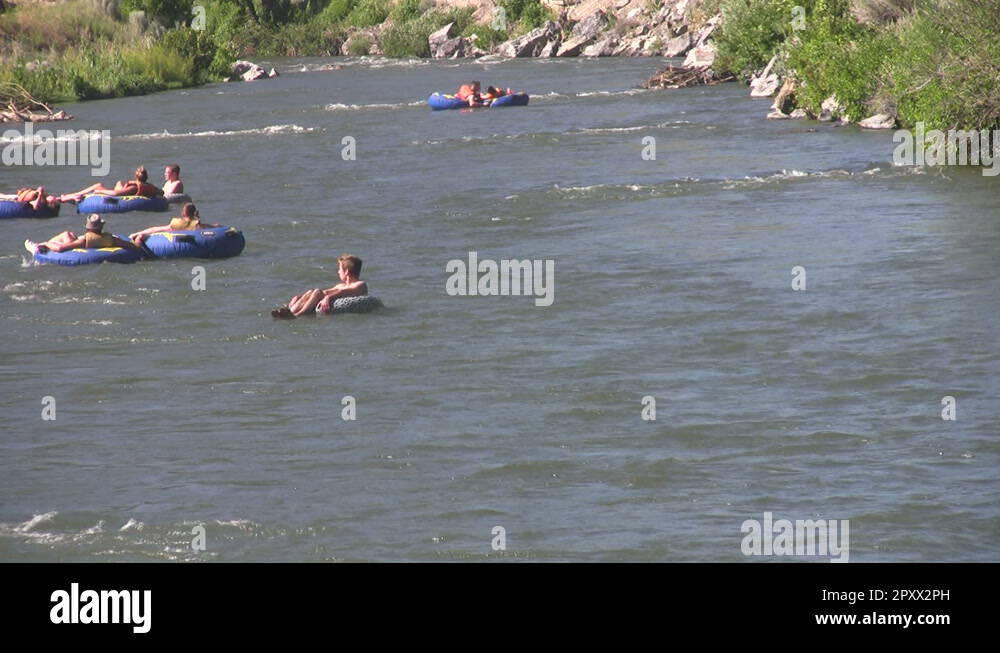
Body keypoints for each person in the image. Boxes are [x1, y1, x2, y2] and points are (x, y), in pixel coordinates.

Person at [271, 254, 368, 319]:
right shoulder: (341, 285)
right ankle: (288, 311)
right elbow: (325, 291)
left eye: (340, 269)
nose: (338, 272)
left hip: (345, 305)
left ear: (346, 272)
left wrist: (329, 297)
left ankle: (297, 315)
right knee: (311, 292)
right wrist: (299, 297)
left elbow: (346, 292)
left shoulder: (360, 284)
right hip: (325, 299)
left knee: (317, 292)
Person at [28, 214, 139, 254]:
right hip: (103, 243)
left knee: (67, 234)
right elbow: (131, 246)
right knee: (70, 234)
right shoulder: (110, 239)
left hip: (78, 247)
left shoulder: (84, 241)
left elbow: (60, 249)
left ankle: (40, 245)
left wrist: (48, 244)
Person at [60, 166, 163, 202]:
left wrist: (100, 191)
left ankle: (73, 195)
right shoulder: (149, 186)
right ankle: (72, 195)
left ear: (136, 177)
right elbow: (161, 192)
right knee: (119, 183)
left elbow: (115, 194)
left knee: (97, 185)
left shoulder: (134, 187)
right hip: (133, 190)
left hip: (122, 196)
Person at [129, 203, 216, 245]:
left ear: (183, 213)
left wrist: (136, 233)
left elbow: (154, 229)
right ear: (194, 213)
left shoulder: (176, 223)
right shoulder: (197, 225)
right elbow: (212, 227)